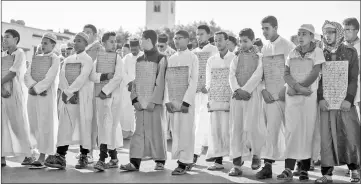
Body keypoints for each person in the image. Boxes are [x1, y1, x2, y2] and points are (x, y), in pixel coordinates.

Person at [276, 24, 325, 181]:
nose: (301, 36)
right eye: (299, 34)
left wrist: (302, 88)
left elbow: (315, 72)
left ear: (312, 36)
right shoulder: (292, 52)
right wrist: (297, 88)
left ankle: (304, 169)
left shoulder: (317, 51)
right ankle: (288, 169)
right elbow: (286, 73)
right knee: (291, 131)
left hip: (308, 98)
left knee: (306, 132)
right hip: (293, 96)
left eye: (304, 33)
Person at [315, 20, 360, 183]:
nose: (328, 35)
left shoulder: (350, 51)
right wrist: (320, 98)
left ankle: (354, 169)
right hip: (326, 103)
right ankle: (327, 173)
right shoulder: (319, 53)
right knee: (326, 136)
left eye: (331, 32)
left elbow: (354, 78)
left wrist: (349, 99)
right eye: (325, 32)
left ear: (338, 33)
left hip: (345, 102)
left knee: (350, 133)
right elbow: (318, 79)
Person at [44, 32, 94, 170]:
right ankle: (60, 156)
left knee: (83, 125)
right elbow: (62, 76)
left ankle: (84, 156)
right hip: (68, 98)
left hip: (82, 98)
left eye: (79, 41)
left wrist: (69, 91)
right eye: (75, 40)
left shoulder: (88, 59)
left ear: (85, 44)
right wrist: (66, 92)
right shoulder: (68, 59)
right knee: (65, 125)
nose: (76, 43)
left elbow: (82, 77)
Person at [119, 30, 167, 172]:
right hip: (140, 104)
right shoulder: (139, 60)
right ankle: (134, 162)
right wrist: (134, 99)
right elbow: (136, 81)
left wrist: (154, 101)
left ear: (149, 40)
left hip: (154, 104)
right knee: (138, 133)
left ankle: (160, 161)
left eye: (143, 39)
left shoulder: (161, 58)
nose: (140, 42)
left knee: (156, 131)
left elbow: (161, 82)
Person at [255, 15, 295, 179]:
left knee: (289, 131)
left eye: (267, 28)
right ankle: (268, 166)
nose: (264, 32)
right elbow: (262, 73)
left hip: (286, 97)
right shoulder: (264, 49)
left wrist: (285, 90)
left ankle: (289, 169)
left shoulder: (288, 46)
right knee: (270, 131)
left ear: (275, 28)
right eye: (262, 28)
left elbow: (294, 71)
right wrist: (263, 89)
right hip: (270, 97)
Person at [228, 28, 264, 176]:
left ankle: (256, 155)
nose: (242, 44)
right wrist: (237, 89)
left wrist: (246, 90)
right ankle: (236, 163)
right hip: (237, 97)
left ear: (252, 40)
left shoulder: (259, 56)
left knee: (253, 126)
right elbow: (231, 74)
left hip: (252, 95)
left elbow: (258, 74)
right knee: (237, 128)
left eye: (245, 41)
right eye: (240, 41)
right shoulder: (236, 56)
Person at [165, 30, 198, 175]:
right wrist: (167, 101)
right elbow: (167, 81)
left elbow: (194, 81)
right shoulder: (171, 58)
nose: (176, 41)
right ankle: (183, 160)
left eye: (180, 38)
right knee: (176, 132)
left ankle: (184, 163)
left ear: (187, 39)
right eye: (175, 38)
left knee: (186, 131)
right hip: (173, 102)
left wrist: (186, 102)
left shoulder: (193, 57)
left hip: (186, 103)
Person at [24, 33, 60, 169]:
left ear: (53, 45)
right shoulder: (36, 58)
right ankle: (32, 153)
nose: (43, 45)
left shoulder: (55, 59)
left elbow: (50, 76)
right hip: (33, 95)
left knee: (45, 124)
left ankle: (43, 155)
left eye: (46, 43)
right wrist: (33, 87)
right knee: (33, 123)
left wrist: (38, 88)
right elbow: (27, 74)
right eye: (42, 43)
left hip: (46, 96)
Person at [89, 31, 123, 171]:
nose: (113, 44)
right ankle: (113, 158)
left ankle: (102, 159)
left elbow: (118, 77)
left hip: (112, 98)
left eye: (115, 41)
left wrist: (105, 90)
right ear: (103, 43)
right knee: (104, 127)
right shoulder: (98, 59)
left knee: (110, 127)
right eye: (111, 41)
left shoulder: (117, 58)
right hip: (100, 98)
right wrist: (104, 76)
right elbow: (92, 76)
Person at [2, 29, 36, 167]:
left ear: (16, 39)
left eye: (8, 37)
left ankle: (29, 154)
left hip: (15, 93)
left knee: (18, 123)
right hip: (2, 93)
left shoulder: (20, 53)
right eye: (3, 37)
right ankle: (2, 156)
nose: (4, 39)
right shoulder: (3, 55)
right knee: (2, 124)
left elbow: (12, 73)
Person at [205, 31, 235, 171]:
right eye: (216, 40)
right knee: (216, 129)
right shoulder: (211, 60)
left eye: (220, 40)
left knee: (230, 130)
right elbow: (208, 82)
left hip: (231, 100)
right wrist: (209, 98)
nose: (218, 43)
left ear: (227, 41)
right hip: (216, 100)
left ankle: (236, 162)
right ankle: (218, 160)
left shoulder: (234, 58)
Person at [192, 25, 218, 166]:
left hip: (209, 93)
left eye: (201, 34)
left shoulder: (214, 51)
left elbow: (218, 70)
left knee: (204, 121)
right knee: (197, 122)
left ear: (208, 35)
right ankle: (202, 151)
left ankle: (196, 153)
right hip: (194, 93)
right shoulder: (193, 52)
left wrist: (209, 86)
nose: (199, 37)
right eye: (197, 34)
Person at [82, 24, 105, 163]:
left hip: (93, 88)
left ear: (95, 35)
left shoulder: (98, 49)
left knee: (92, 122)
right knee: (85, 120)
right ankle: (85, 151)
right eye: (83, 32)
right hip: (83, 88)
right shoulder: (83, 49)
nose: (85, 34)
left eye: (88, 32)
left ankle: (90, 152)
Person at [121, 38, 143, 139]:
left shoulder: (144, 56)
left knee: (139, 110)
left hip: (141, 88)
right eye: (132, 49)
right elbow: (122, 72)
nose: (133, 51)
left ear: (139, 47)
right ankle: (127, 133)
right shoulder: (126, 58)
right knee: (126, 110)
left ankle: (138, 133)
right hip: (128, 88)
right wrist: (129, 82)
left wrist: (136, 83)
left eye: (135, 48)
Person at [157, 33, 177, 140]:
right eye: (158, 46)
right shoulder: (155, 52)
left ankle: (170, 132)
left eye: (161, 46)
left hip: (170, 84)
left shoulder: (173, 53)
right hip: (158, 84)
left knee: (169, 107)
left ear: (167, 43)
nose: (159, 48)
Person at [343, 17, 360, 112]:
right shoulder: (339, 49)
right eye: (344, 30)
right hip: (345, 95)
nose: (345, 32)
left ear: (356, 30)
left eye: (348, 30)